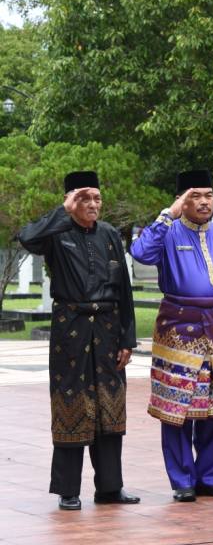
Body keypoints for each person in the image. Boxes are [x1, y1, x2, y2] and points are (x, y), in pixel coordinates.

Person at [130, 170, 213, 501]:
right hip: (178, 330)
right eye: (195, 196)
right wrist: (166, 216)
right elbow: (141, 253)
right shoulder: (168, 233)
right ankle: (183, 480)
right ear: (181, 200)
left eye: (209, 195)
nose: (203, 202)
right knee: (178, 409)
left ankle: (211, 476)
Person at [17, 171, 140, 511]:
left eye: (96, 198)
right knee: (71, 406)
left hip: (108, 328)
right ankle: (68, 490)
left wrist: (127, 338)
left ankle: (110, 488)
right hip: (69, 330)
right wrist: (63, 209)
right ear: (71, 201)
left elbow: (124, 291)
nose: (92, 205)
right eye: (83, 199)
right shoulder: (57, 233)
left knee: (110, 406)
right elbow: (27, 237)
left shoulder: (111, 235)